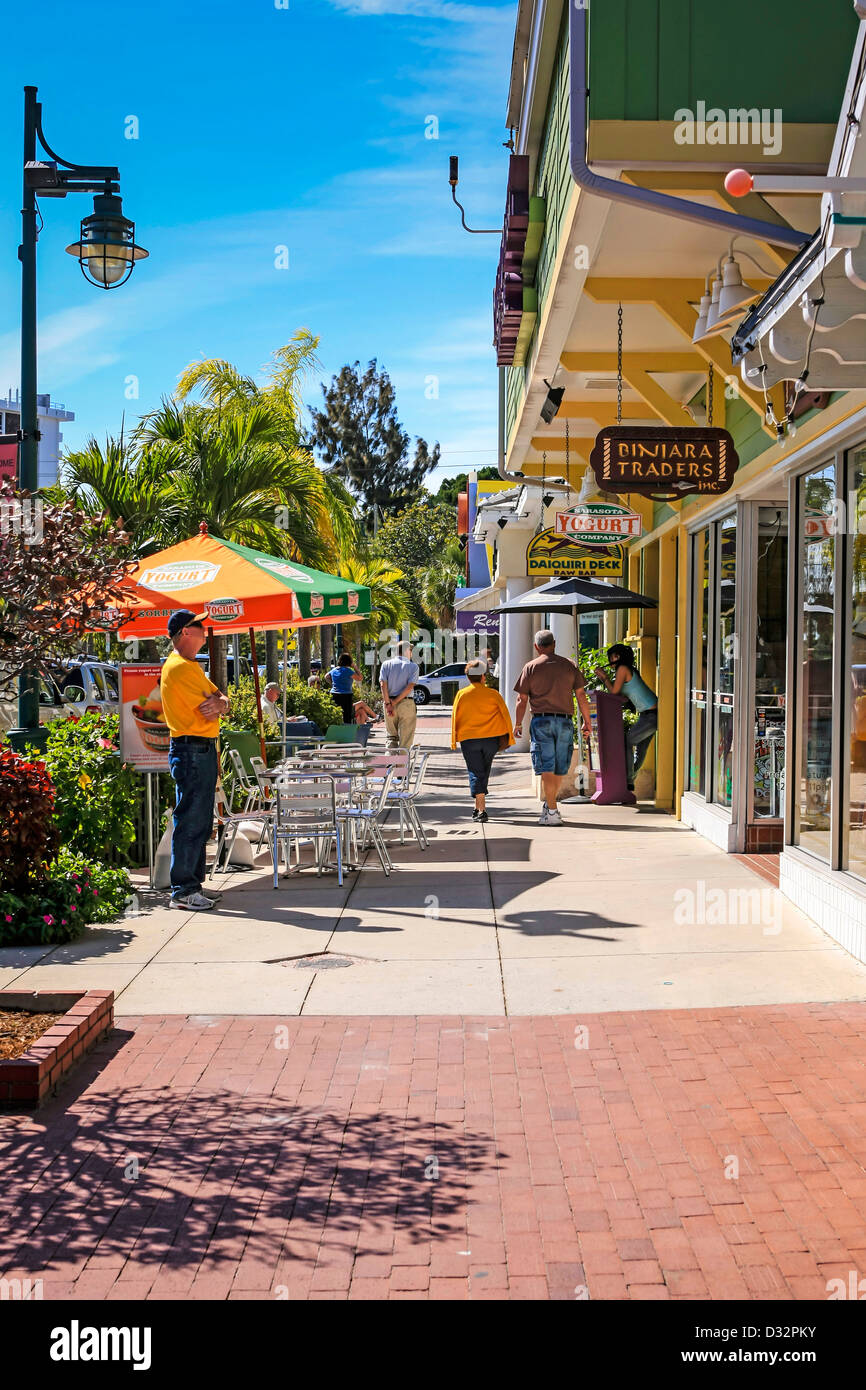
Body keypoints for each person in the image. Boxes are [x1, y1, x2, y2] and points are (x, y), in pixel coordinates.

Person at [160, 610, 230, 911]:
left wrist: (222, 702)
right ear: (186, 632)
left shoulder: (188, 667)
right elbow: (212, 704)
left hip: (195, 749)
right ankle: (184, 890)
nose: (205, 630)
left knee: (199, 819)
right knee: (191, 819)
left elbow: (221, 701)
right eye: (199, 626)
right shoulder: (180, 668)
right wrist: (220, 702)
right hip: (192, 750)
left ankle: (192, 885)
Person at [514, 628, 592, 826]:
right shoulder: (569, 666)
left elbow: (522, 699)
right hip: (565, 721)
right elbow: (581, 695)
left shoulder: (530, 667)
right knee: (558, 767)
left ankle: (552, 810)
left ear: (536, 647)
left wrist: (517, 723)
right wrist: (587, 721)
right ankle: (551, 807)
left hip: (541, 721)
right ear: (554, 644)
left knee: (547, 767)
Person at [451, 659, 513, 822]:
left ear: (468, 677)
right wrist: (509, 736)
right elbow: (505, 716)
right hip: (490, 739)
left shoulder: (462, 694)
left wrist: (454, 738)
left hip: (469, 739)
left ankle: (481, 809)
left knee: (476, 772)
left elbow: (455, 717)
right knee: (483, 771)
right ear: (483, 677)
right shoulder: (493, 694)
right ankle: (478, 807)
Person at [594, 643, 658, 792]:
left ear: (617, 657)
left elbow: (614, 692)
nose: (609, 660)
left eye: (611, 657)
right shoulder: (625, 670)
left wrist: (604, 678)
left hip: (651, 716)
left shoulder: (622, 669)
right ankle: (629, 780)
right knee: (640, 750)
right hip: (648, 715)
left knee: (628, 741)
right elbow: (619, 694)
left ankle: (628, 779)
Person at [379, 641, 419, 750]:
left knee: (391, 737)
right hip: (406, 704)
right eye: (410, 650)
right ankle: (402, 766)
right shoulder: (413, 667)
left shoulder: (386, 664)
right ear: (406, 651)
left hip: (388, 703)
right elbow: (409, 687)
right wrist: (395, 702)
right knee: (405, 740)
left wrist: (388, 704)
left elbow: (383, 685)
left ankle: (390, 764)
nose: (411, 653)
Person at [327, 652, 361, 723]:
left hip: (334, 693)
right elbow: (360, 678)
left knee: (336, 714)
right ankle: (347, 731)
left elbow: (326, 676)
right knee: (347, 715)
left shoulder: (334, 670)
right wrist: (354, 667)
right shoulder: (348, 671)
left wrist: (332, 684)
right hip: (346, 695)